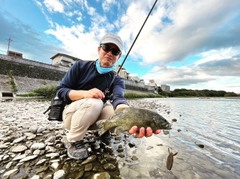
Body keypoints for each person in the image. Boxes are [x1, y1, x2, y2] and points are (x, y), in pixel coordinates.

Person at [56, 32, 161, 160]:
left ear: (118, 57)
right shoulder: (80, 66)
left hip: (95, 115)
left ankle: (103, 130)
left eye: (115, 51)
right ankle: (72, 140)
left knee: (115, 111)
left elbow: (119, 98)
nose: (110, 53)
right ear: (99, 49)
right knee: (96, 102)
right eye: (106, 48)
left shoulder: (117, 79)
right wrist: (85, 94)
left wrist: (131, 116)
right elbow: (61, 91)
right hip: (72, 117)